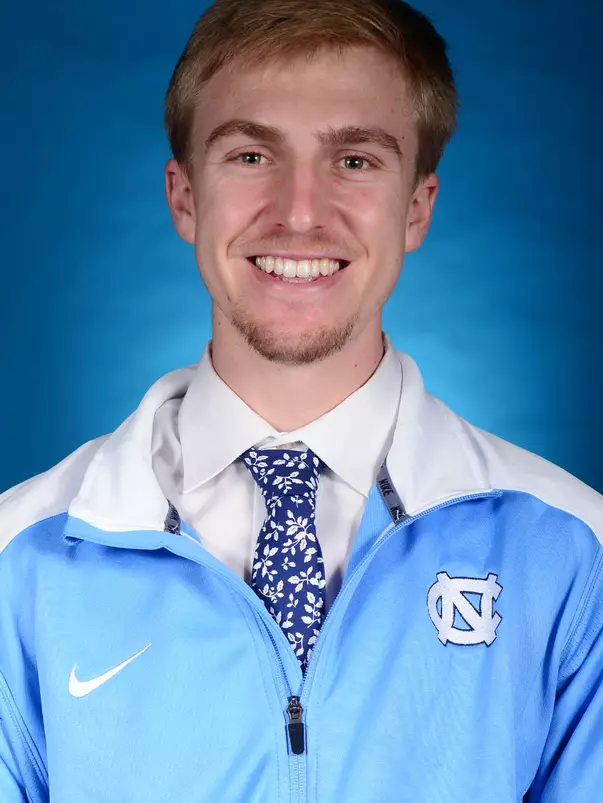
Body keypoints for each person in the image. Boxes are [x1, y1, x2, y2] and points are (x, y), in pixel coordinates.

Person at [1, 0, 602, 800]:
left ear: (417, 206)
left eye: (354, 160)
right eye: (251, 155)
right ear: (183, 197)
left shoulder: (575, 554)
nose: (300, 213)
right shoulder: (18, 563)